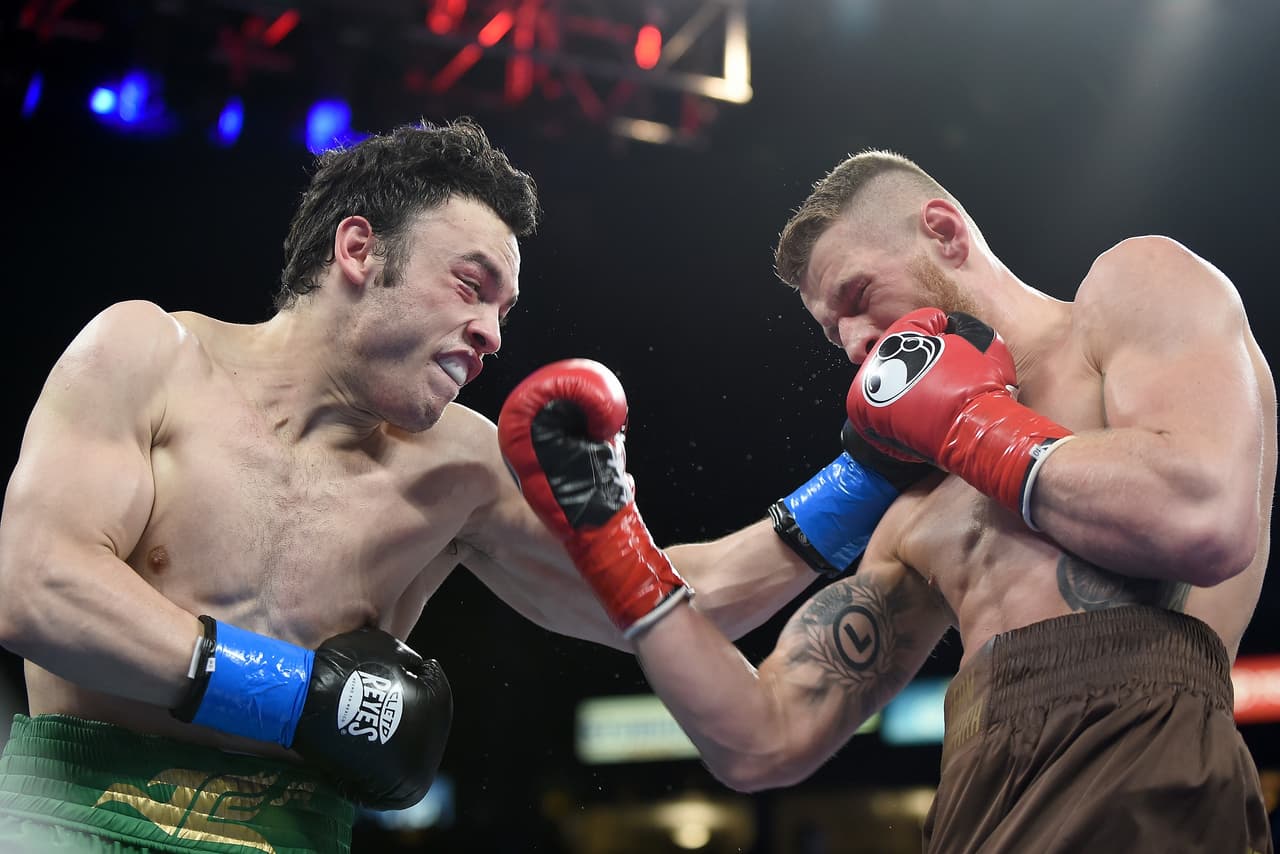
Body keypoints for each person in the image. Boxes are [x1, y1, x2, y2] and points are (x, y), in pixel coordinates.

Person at [0, 117, 868, 854]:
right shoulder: (148, 357)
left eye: (504, 309)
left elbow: (679, 602)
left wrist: (869, 476)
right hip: (66, 819)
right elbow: (34, 585)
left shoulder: (463, 468)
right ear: (358, 249)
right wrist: (303, 694)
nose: (491, 334)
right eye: (470, 285)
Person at [500, 149, 1276, 853]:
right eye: (831, 329)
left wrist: (972, 424)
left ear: (943, 232)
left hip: (1152, 776)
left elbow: (1205, 517)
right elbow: (764, 738)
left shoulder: (1128, 294)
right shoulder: (918, 511)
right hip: (977, 807)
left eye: (859, 294)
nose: (852, 341)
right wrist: (611, 538)